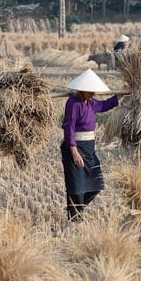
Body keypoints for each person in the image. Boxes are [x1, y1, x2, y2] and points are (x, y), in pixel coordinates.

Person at [60, 69, 121, 222]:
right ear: (82, 89)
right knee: (76, 186)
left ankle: (77, 210)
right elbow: (69, 127)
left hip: (89, 149)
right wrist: (74, 152)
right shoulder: (73, 103)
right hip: (75, 148)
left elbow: (105, 105)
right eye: (90, 91)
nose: (93, 93)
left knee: (95, 184)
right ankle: (75, 219)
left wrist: (121, 95)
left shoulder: (90, 102)